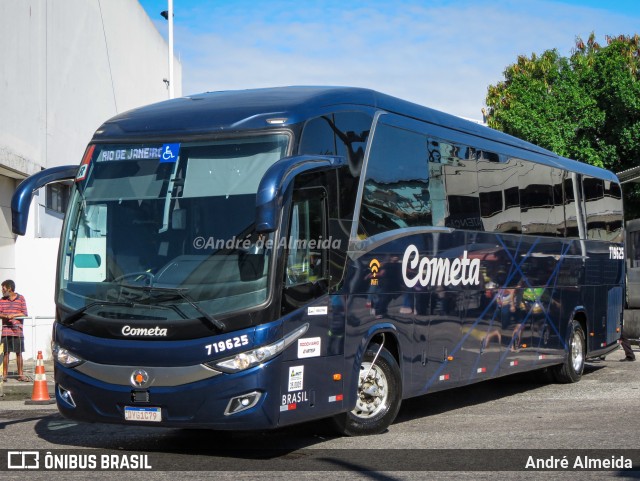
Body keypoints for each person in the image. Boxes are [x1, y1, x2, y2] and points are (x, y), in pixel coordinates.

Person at [1, 280, 29, 381]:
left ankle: (20, 374)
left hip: (17, 330)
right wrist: (5, 315)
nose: (2, 290)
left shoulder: (21, 298)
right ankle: (4, 375)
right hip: (6, 330)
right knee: (6, 352)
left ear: (9, 288)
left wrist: (14, 315)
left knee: (19, 352)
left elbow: (25, 313)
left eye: (3, 288)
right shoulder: (2, 300)